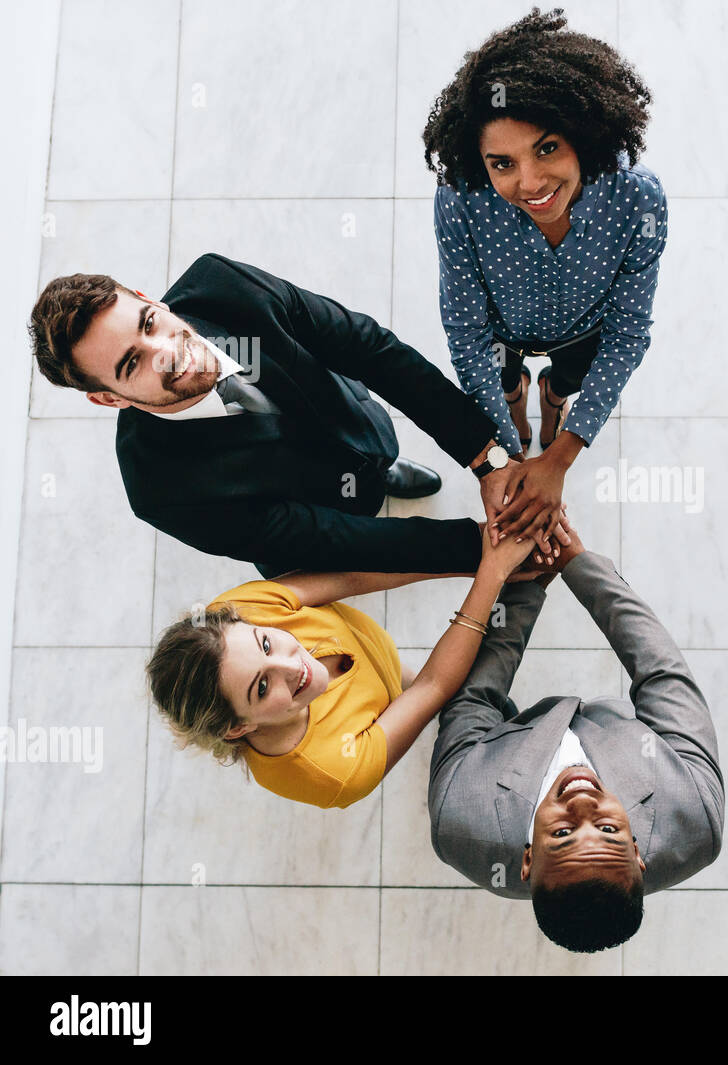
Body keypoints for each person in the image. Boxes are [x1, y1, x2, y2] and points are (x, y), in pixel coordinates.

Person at [28, 253, 563, 580]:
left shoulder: (222, 287)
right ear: (109, 399)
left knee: (380, 461)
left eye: (148, 323)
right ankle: (376, 489)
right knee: (357, 517)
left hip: (354, 422)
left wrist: (488, 460)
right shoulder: (158, 490)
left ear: (150, 299)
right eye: (131, 363)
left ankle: (384, 474)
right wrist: (483, 545)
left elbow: (370, 350)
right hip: (315, 513)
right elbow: (325, 537)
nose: (167, 351)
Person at [423, 6, 668, 553]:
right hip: (501, 334)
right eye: (502, 163)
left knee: (564, 384)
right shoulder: (461, 198)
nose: (529, 183)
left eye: (548, 148)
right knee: (506, 384)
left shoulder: (638, 197)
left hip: (586, 331)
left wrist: (559, 458)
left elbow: (628, 332)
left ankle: (552, 402)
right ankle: (520, 403)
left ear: (584, 133)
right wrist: (510, 460)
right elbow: (467, 334)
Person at [428, 517, 724, 953]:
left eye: (562, 834)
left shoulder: (460, 820)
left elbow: (475, 699)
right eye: (608, 828)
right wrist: (574, 563)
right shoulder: (695, 818)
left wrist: (527, 582)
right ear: (639, 855)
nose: (582, 800)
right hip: (617, 728)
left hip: (513, 735)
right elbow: (662, 674)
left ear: (527, 860)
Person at [145, 522, 538, 809]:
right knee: (423, 695)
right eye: (262, 688)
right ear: (239, 728)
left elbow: (351, 576)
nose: (292, 663)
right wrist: (493, 573)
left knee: (406, 678)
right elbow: (432, 687)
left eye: (266, 642)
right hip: (389, 699)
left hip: (377, 653)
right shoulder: (333, 772)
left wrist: (474, 557)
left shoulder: (239, 612)